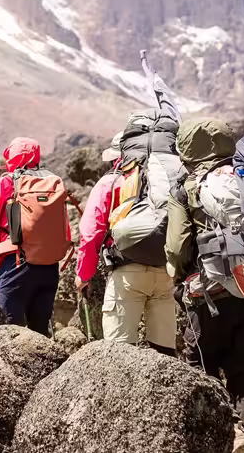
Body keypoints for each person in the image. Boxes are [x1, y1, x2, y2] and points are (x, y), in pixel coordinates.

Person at [167, 119, 244, 453]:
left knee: (200, 365)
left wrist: (179, 277)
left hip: (208, 293)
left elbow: (178, 246)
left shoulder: (188, 187)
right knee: (242, 368)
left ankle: (217, 437)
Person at [77, 124, 179, 357]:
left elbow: (91, 233)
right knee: (164, 352)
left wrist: (83, 275)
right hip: (165, 271)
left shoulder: (111, 182)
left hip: (127, 272)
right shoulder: (163, 181)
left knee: (118, 354)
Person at [0, 137, 71, 336]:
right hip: (50, 266)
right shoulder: (52, 185)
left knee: (8, 334)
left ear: (11, 157)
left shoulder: (2, 184)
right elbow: (65, 230)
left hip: (16, 264)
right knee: (41, 334)